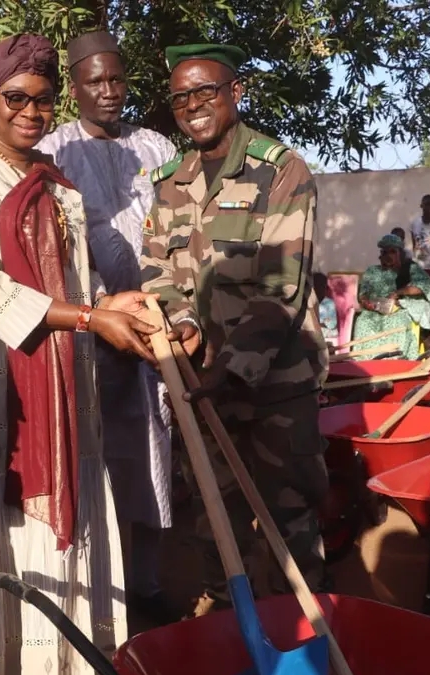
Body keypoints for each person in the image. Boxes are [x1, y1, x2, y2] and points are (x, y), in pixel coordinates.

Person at [0, 33, 159, 675]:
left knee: (68, 514)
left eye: (43, 99)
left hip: (64, 385)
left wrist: (109, 305)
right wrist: (89, 318)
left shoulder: (58, 184)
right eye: (15, 98)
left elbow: (74, 284)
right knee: (0, 534)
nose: (31, 110)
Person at [139, 43, 331, 616]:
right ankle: (232, 629)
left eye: (205, 92)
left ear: (235, 93)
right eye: (180, 97)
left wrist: (229, 368)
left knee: (290, 516)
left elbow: (282, 287)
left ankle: (307, 634)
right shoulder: (170, 181)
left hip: (276, 382)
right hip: (203, 383)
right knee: (214, 519)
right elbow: (161, 275)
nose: (193, 105)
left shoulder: (282, 170)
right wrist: (183, 329)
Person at [36, 29, 178, 624]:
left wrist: (159, 306)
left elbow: (176, 232)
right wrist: (101, 306)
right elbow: (51, 247)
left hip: (155, 328)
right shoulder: (52, 151)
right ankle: (100, 595)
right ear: (75, 88)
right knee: (92, 459)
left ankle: (145, 588)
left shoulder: (157, 147)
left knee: (152, 454)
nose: (109, 91)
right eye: (95, 81)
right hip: (88, 331)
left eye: (117, 79)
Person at [352, 233, 430, 360]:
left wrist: (398, 293)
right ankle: (367, 362)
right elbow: (363, 293)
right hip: (374, 312)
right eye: (385, 252)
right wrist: (365, 302)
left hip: (397, 310)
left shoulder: (409, 269)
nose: (388, 256)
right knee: (362, 321)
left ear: (399, 254)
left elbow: (423, 286)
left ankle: (396, 360)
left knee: (398, 323)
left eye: (392, 252)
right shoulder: (372, 271)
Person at [314, 272, 338, 346]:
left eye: (323, 287)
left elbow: (332, 325)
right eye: (317, 287)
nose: (320, 290)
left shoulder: (329, 303)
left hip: (326, 333)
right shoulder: (308, 301)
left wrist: (320, 323)